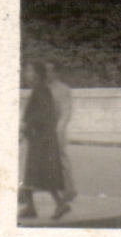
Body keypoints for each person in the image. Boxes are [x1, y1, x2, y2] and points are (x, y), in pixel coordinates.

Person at [19, 60, 77, 221]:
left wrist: (25, 126)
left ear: (37, 74)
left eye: (29, 71)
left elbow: (43, 115)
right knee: (34, 174)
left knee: (38, 173)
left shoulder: (41, 91)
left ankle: (59, 203)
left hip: (40, 139)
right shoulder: (40, 90)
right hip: (38, 138)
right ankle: (32, 206)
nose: (26, 74)